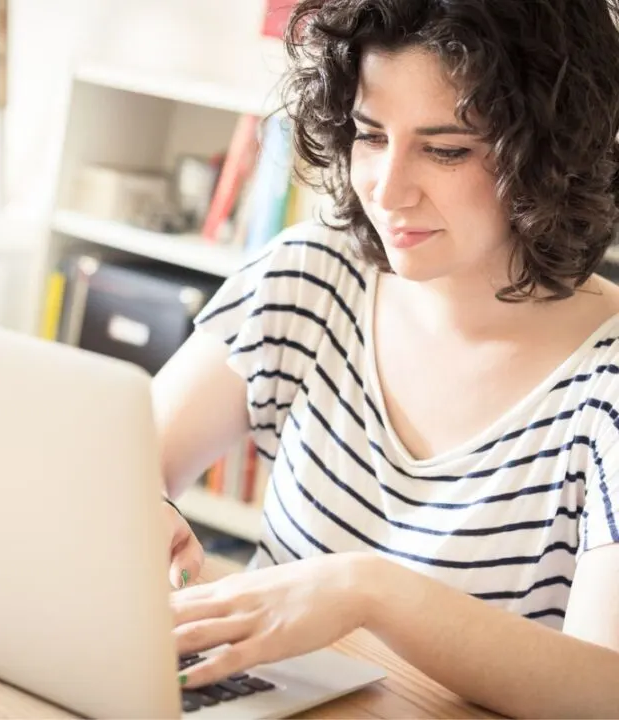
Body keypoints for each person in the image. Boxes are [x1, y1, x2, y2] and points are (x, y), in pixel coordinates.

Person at [152, 0, 619, 716]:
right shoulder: (313, 273)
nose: (388, 190)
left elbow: (604, 690)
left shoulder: (606, 382)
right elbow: (123, 465)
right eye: (370, 136)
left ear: (551, 155)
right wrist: (143, 509)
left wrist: (368, 592)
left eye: (447, 149)